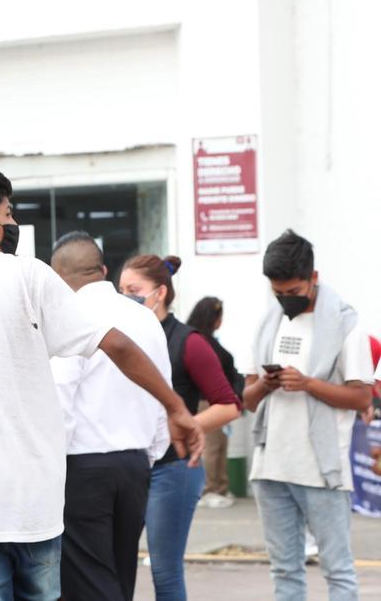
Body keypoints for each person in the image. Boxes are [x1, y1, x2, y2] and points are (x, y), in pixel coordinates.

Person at [0, 166, 203, 601]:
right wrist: (176, 407)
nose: (13, 224)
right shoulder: (28, 275)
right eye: (7, 214)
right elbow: (114, 344)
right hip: (35, 508)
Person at [242, 230, 373, 601]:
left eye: (294, 293)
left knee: (338, 571)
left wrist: (308, 384)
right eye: (278, 294)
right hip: (270, 467)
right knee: (284, 571)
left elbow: (361, 396)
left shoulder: (348, 325)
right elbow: (247, 400)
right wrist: (267, 384)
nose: (286, 301)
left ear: (314, 278)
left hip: (321, 469)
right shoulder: (268, 322)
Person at [49, 232, 172, 601]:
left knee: (88, 583)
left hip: (83, 468)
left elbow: (60, 396)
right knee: (121, 576)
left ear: (57, 278)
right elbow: (162, 390)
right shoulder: (145, 317)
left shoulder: (70, 314)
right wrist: (149, 455)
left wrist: (52, 467)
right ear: (103, 270)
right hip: (135, 464)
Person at [118, 254, 241, 601]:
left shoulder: (189, 341)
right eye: (121, 289)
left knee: (164, 570)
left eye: (134, 289)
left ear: (160, 292)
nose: (126, 295)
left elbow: (229, 405)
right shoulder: (119, 337)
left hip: (173, 467)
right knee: (116, 564)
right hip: (129, 466)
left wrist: (184, 424)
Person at [186, 296, 244, 509]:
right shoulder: (197, 340)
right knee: (211, 447)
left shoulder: (208, 340)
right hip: (205, 403)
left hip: (219, 402)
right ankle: (209, 489)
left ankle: (219, 486)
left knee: (220, 446)